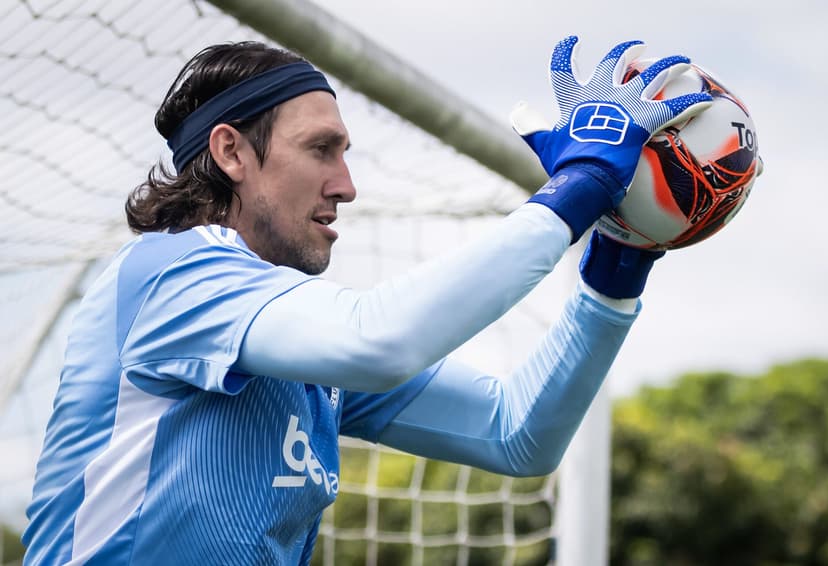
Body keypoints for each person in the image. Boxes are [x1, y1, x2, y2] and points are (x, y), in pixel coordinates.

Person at [22, 35, 710, 565]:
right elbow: (379, 340)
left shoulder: (297, 344)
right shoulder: (167, 272)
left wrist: (614, 273)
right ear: (232, 152)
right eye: (322, 149)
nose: (347, 184)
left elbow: (516, 433)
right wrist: (581, 184)